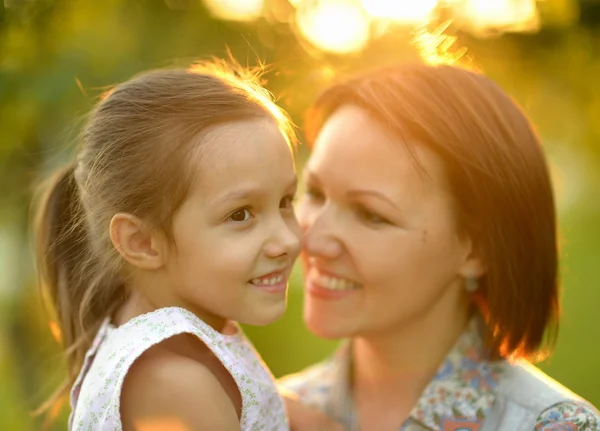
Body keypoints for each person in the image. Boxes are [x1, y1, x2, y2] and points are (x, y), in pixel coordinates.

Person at [280, 63, 600, 431]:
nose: (312, 240)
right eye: (316, 194)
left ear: (476, 250)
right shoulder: (268, 412)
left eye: (370, 214)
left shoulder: (554, 425)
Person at [34, 60, 302, 431]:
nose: (287, 240)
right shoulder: (173, 382)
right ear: (142, 242)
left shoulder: (174, 352)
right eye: (241, 214)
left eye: (286, 201)